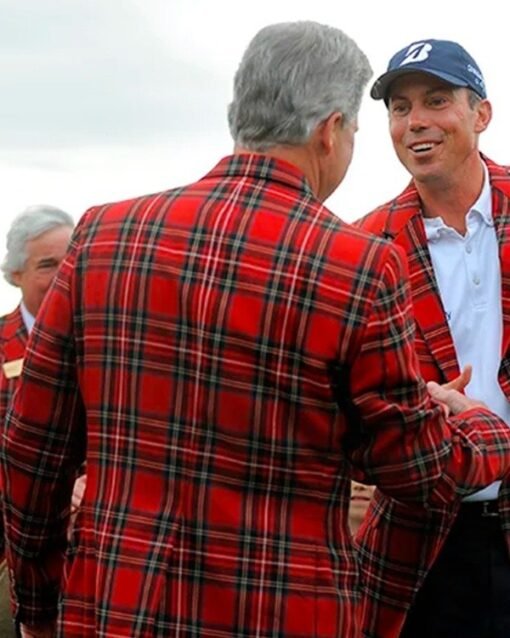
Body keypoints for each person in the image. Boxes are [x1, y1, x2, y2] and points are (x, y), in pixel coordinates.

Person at [2, 23, 510, 638]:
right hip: (288, 610)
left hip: (116, 607)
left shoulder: (102, 235)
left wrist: (36, 606)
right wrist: (482, 424)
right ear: (330, 131)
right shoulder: (353, 260)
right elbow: (411, 461)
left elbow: (32, 449)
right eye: (381, 116)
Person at [355, 39, 510, 638]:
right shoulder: (365, 246)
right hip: (420, 537)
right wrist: (408, 406)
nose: (415, 121)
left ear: (481, 115)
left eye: (436, 100)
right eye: (399, 107)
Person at [0, 205, 74, 637]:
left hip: (81, 550)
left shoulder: (100, 345)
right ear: (14, 275)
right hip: (14, 551)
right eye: (48, 265)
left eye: (71, 261)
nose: (64, 274)